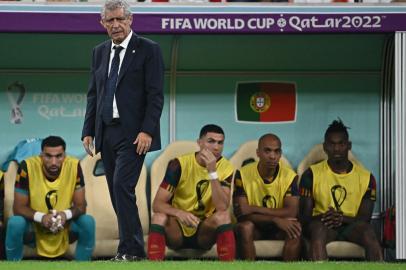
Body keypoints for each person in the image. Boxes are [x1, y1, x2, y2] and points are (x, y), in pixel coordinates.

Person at [81, 0, 164, 261]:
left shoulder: (148, 49)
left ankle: (132, 250)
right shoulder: (99, 52)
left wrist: (147, 131)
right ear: (102, 24)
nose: (115, 25)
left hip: (135, 135)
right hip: (106, 132)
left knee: (121, 186)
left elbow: (155, 95)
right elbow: (94, 94)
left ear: (130, 20)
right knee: (118, 193)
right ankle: (128, 249)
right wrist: (88, 130)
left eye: (120, 19)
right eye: (110, 20)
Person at [147, 124, 236, 261]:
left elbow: (222, 207)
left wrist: (212, 172)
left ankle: (230, 267)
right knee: (159, 217)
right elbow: (157, 204)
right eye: (211, 141)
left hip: (204, 232)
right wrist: (180, 213)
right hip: (177, 229)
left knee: (223, 216)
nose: (216, 147)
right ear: (199, 143)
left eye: (220, 143)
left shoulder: (226, 167)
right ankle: (152, 266)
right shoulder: (178, 164)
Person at [299, 119, 383, 261]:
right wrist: (326, 217)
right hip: (323, 225)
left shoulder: (367, 178)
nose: (336, 149)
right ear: (325, 147)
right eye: (332, 144)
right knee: (317, 231)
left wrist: (340, 218)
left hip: (352, 226)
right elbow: (304, 219)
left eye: (341, 144)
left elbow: (365, 218)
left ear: (348, 145)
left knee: (368, 232)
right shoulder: (310, 175)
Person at [5, 136, 95, 261]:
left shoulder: (74, 166)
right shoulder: (27, 167)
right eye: (48, 156)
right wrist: (41, 217)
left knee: (87, 222)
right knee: (15, 223)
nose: (53, 162)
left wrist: (65, 215)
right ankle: (13, 266)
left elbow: (81, 206)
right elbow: (18, 208)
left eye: (58, 156)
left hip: (64, 226)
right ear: (41, 155)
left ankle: (82, 266)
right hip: (35, 226)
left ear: (65, 156)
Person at [233, 134, 301, 261]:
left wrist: (253, 208)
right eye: (267, 151)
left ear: (280, 154)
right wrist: (275, 219)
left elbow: (291, 212)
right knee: (245, 227)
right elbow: (242, 214)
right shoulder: (242, 174)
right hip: (255, 226)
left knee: (295, 227)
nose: (272, 156)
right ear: (258, 153)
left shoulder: (290, 176)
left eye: (276, 151)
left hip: (279, 227)